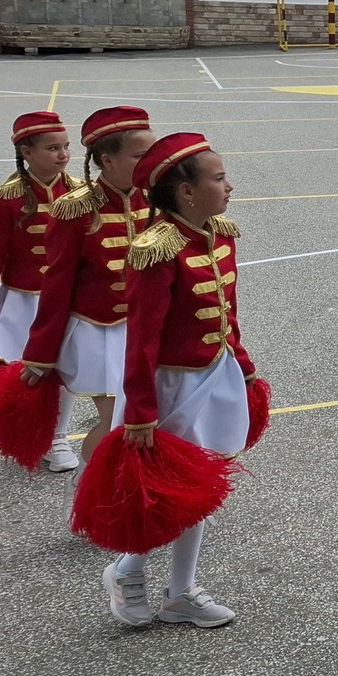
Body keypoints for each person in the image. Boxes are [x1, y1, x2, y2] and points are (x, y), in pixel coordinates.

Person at [99, 133, 257, 629]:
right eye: (219, 179)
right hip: (170, 388)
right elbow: (140, 340)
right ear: (186, 192)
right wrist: (140, 412)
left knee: (201, 487)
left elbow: (228, 314)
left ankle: (180, 592)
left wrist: (245, 367)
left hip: (215, 375)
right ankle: (127, 570)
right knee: (169, 491)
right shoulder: (157, 250)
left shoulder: (220, 234)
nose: (229, 187)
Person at [18, 106, 156, 470]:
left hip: (146, 332)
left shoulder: (157, 200)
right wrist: (40, 354)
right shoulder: (75, 210)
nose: (150, 163)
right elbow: (57, 283)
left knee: (148, 423)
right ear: (107, 161)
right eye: (140, 156)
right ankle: (83, 489)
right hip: (98, 333)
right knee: (117, 422)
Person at [0, 111, 78, 465]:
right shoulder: (6, 199)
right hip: (25, 300)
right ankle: (30, 434)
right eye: (53, 148)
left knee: (65, 368)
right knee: (29, 371)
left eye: (66, 146)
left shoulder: (79, 194)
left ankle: (58, 437)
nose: (63, 154)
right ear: (27, 153)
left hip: (69, 301)